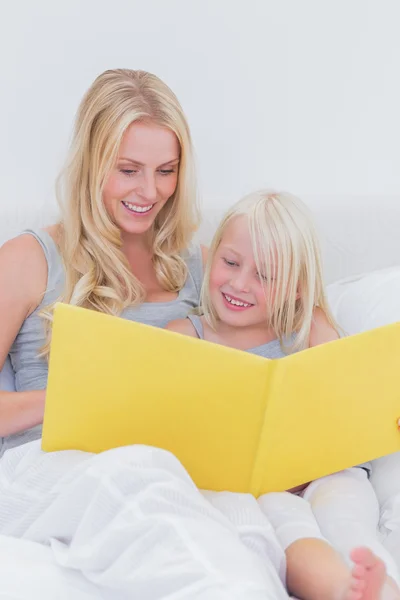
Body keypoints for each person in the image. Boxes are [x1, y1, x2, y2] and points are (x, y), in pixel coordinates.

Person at [166, 189, 400, 600]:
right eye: (231, 263)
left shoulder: (308, 330)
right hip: (259, 487)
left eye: (266, 275)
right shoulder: (185, 338)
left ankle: (378, 586)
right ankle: (341, 589)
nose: (240, 283)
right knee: (289, 531)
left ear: (296, 287)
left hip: (331, 471)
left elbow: (353, 392)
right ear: (213, 254)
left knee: (348, 523)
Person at [0, 68, 205, 454]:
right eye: (128, 170)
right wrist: (80, 400)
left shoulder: (203, 268)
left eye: (166, 171)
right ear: (91, 164)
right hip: (65, 476)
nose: (149, 191)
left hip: (173, 474)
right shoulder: (28, 261)